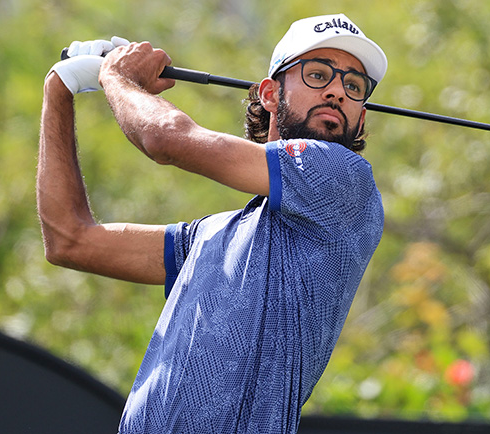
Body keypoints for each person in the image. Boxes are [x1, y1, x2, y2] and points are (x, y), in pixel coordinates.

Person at [37, 13, 387, 433]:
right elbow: (69, 239)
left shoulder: (344, 179)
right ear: (270, 94)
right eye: (318, 74)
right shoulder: (210, 236)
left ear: (361, 117)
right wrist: (59, 88)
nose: (336, 91)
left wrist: (117, 77)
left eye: (354, 86)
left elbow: (167, 140)